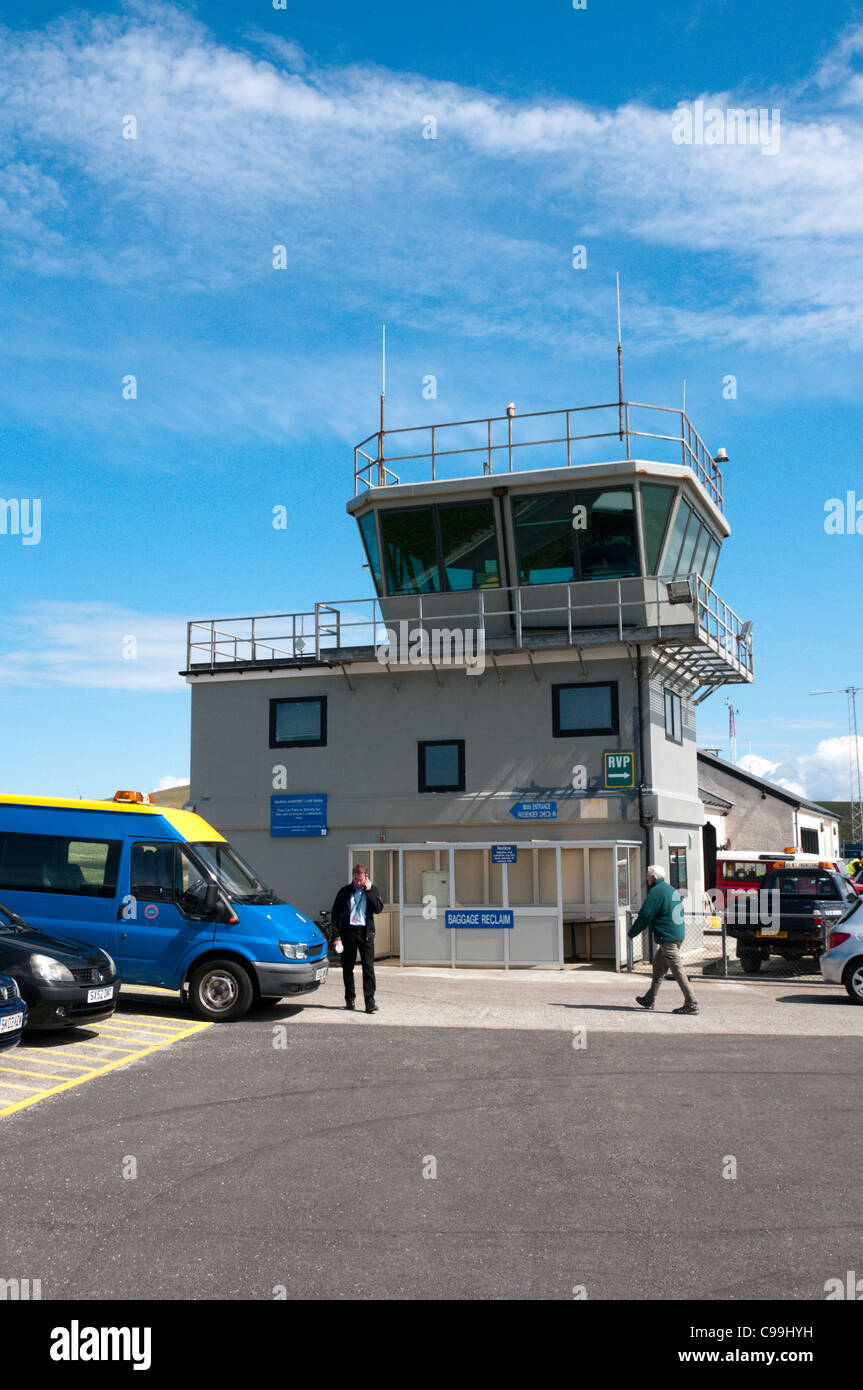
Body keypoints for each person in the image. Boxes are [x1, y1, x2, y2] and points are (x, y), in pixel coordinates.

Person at [628, 864, 698, 1015]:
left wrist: (631, 933)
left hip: (668, 938)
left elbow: (645, 916)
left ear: (652, 878)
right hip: (677, 936)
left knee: (677, 970)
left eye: (647, 876)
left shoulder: (656, 892)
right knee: (659, 967)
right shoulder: (671, 890)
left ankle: (691, 1002)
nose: (646, 879)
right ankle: (649, 998)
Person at [331, 863, 383, 1014]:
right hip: (348, 933)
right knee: (348, 968)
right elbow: (335, 915)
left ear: (365, 877)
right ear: (353, 877)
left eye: (361, 880)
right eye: (356, 880)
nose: (359, 883)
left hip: (365, 933)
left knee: (368, 968)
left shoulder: (372, 890)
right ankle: (350, 998)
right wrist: (336, 936)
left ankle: (370, 1001)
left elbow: (378, 909)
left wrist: (369, 892)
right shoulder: (344, 892)